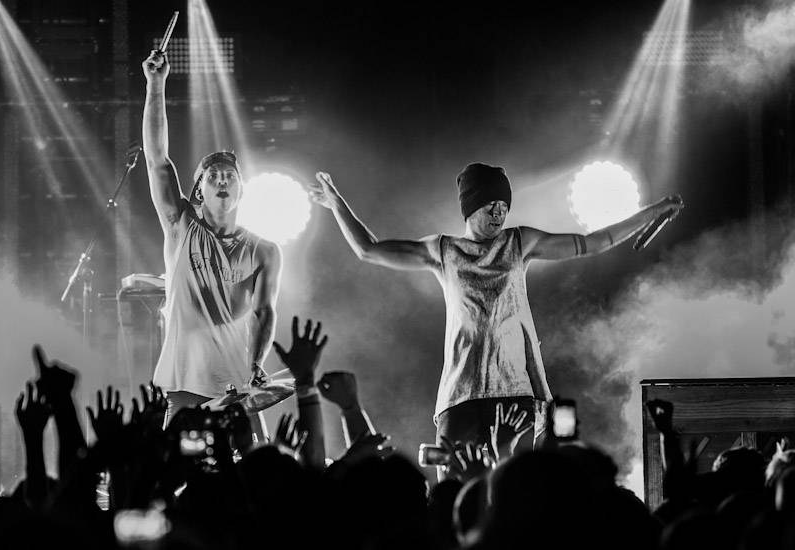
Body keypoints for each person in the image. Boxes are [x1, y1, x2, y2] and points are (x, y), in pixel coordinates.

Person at [308, 163, 683, 453]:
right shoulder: (443, 250)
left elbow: (594, 241)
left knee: (515, 493)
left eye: (504, 206)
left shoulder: (520, 243)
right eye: (491, 205)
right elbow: (369, 250)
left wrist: (651, 212)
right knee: (457, 494)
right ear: (470, 207)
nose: (499, 213)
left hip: (514, 393)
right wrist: (336, 202)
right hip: (460, 395)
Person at [141, 49, 282, 433]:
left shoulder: (265, 250)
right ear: (199, 191)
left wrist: (257, 362)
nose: (222, 179)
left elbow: (264, 312)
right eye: (213, 175)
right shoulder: (180, 224)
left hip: (237, 387)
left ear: (241, 190)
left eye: (230, 176)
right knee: (176, 467)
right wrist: (156, 85)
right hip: (184, 386)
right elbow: (157, 159)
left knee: (257, 467)